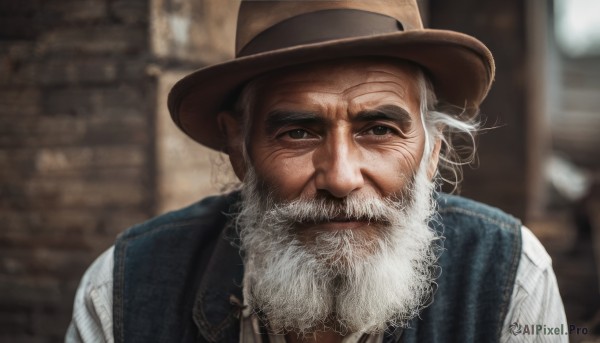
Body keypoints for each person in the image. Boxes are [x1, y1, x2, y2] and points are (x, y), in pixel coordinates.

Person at [66, 1, 567, 342]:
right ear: (239, 148)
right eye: (298, 133)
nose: (342, 178)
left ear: (432, 149)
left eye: (378, 129)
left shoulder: (511, 278)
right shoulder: (121, 290)